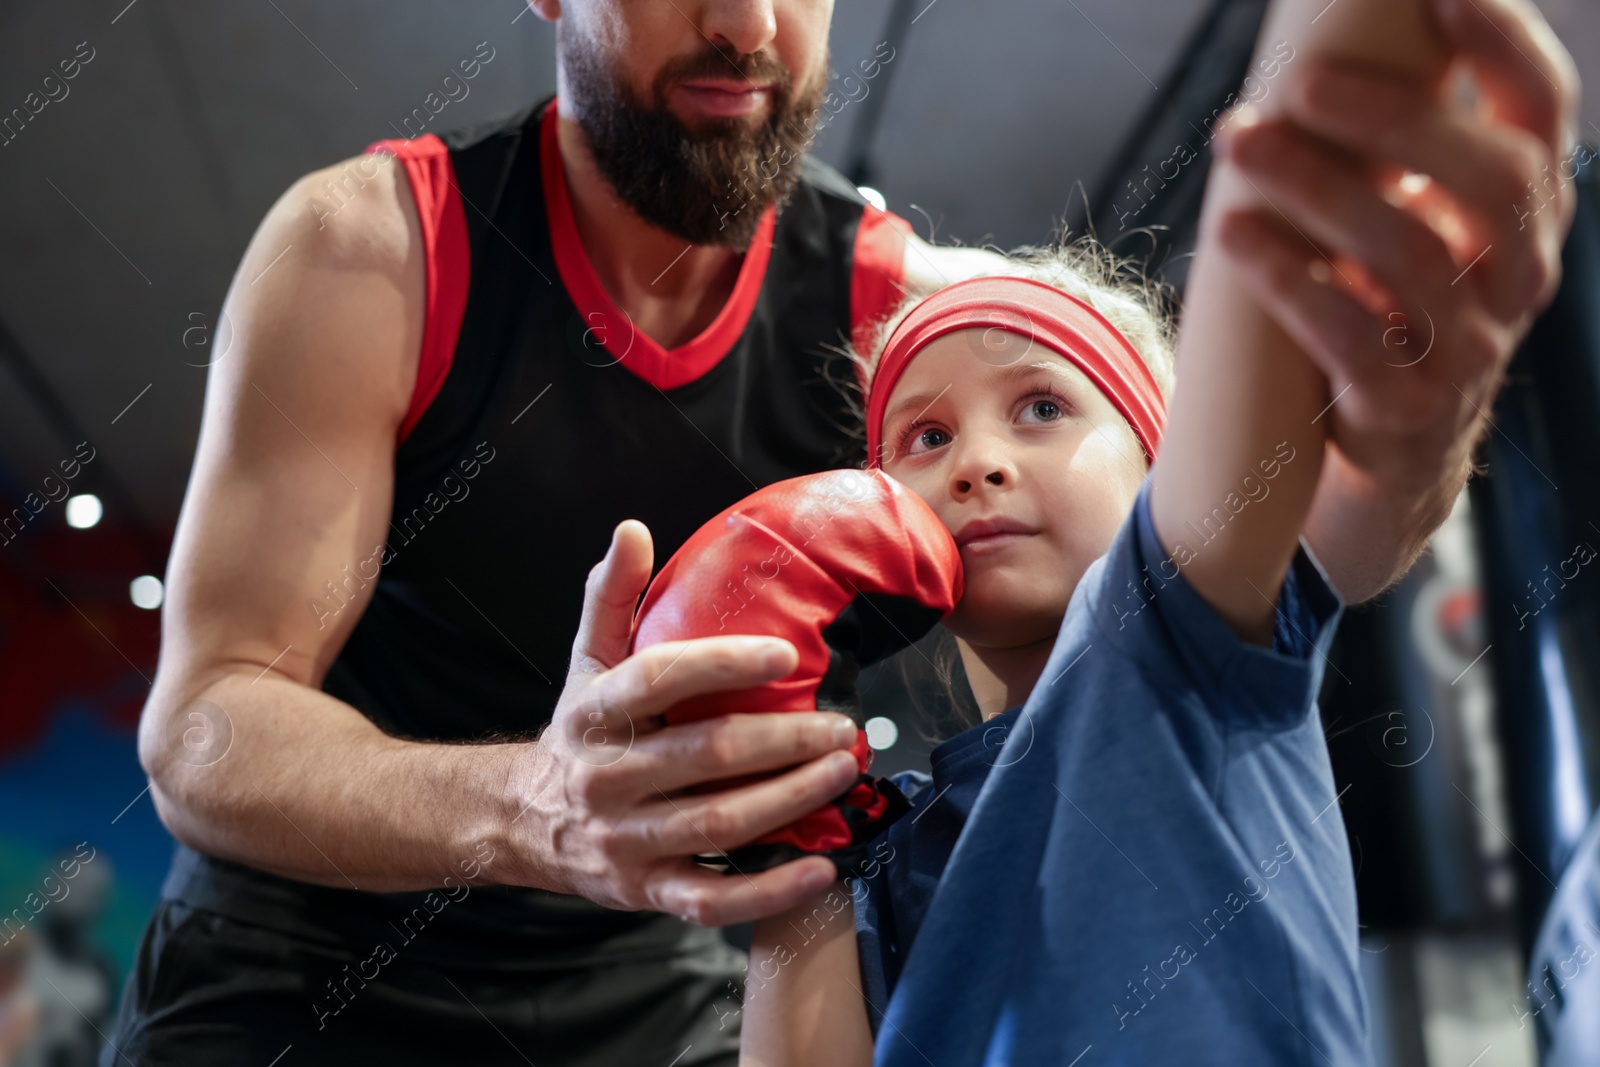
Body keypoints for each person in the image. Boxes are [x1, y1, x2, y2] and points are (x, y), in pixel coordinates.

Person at [110, 0, 1579, 1061]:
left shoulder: (911, 313)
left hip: (663, 969)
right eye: (926, 439)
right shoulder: (378, 246)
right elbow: (205, 730)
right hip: (299, 972)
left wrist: (1400, 435)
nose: (746, 23)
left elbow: (1244, 487)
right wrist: (537, 805)